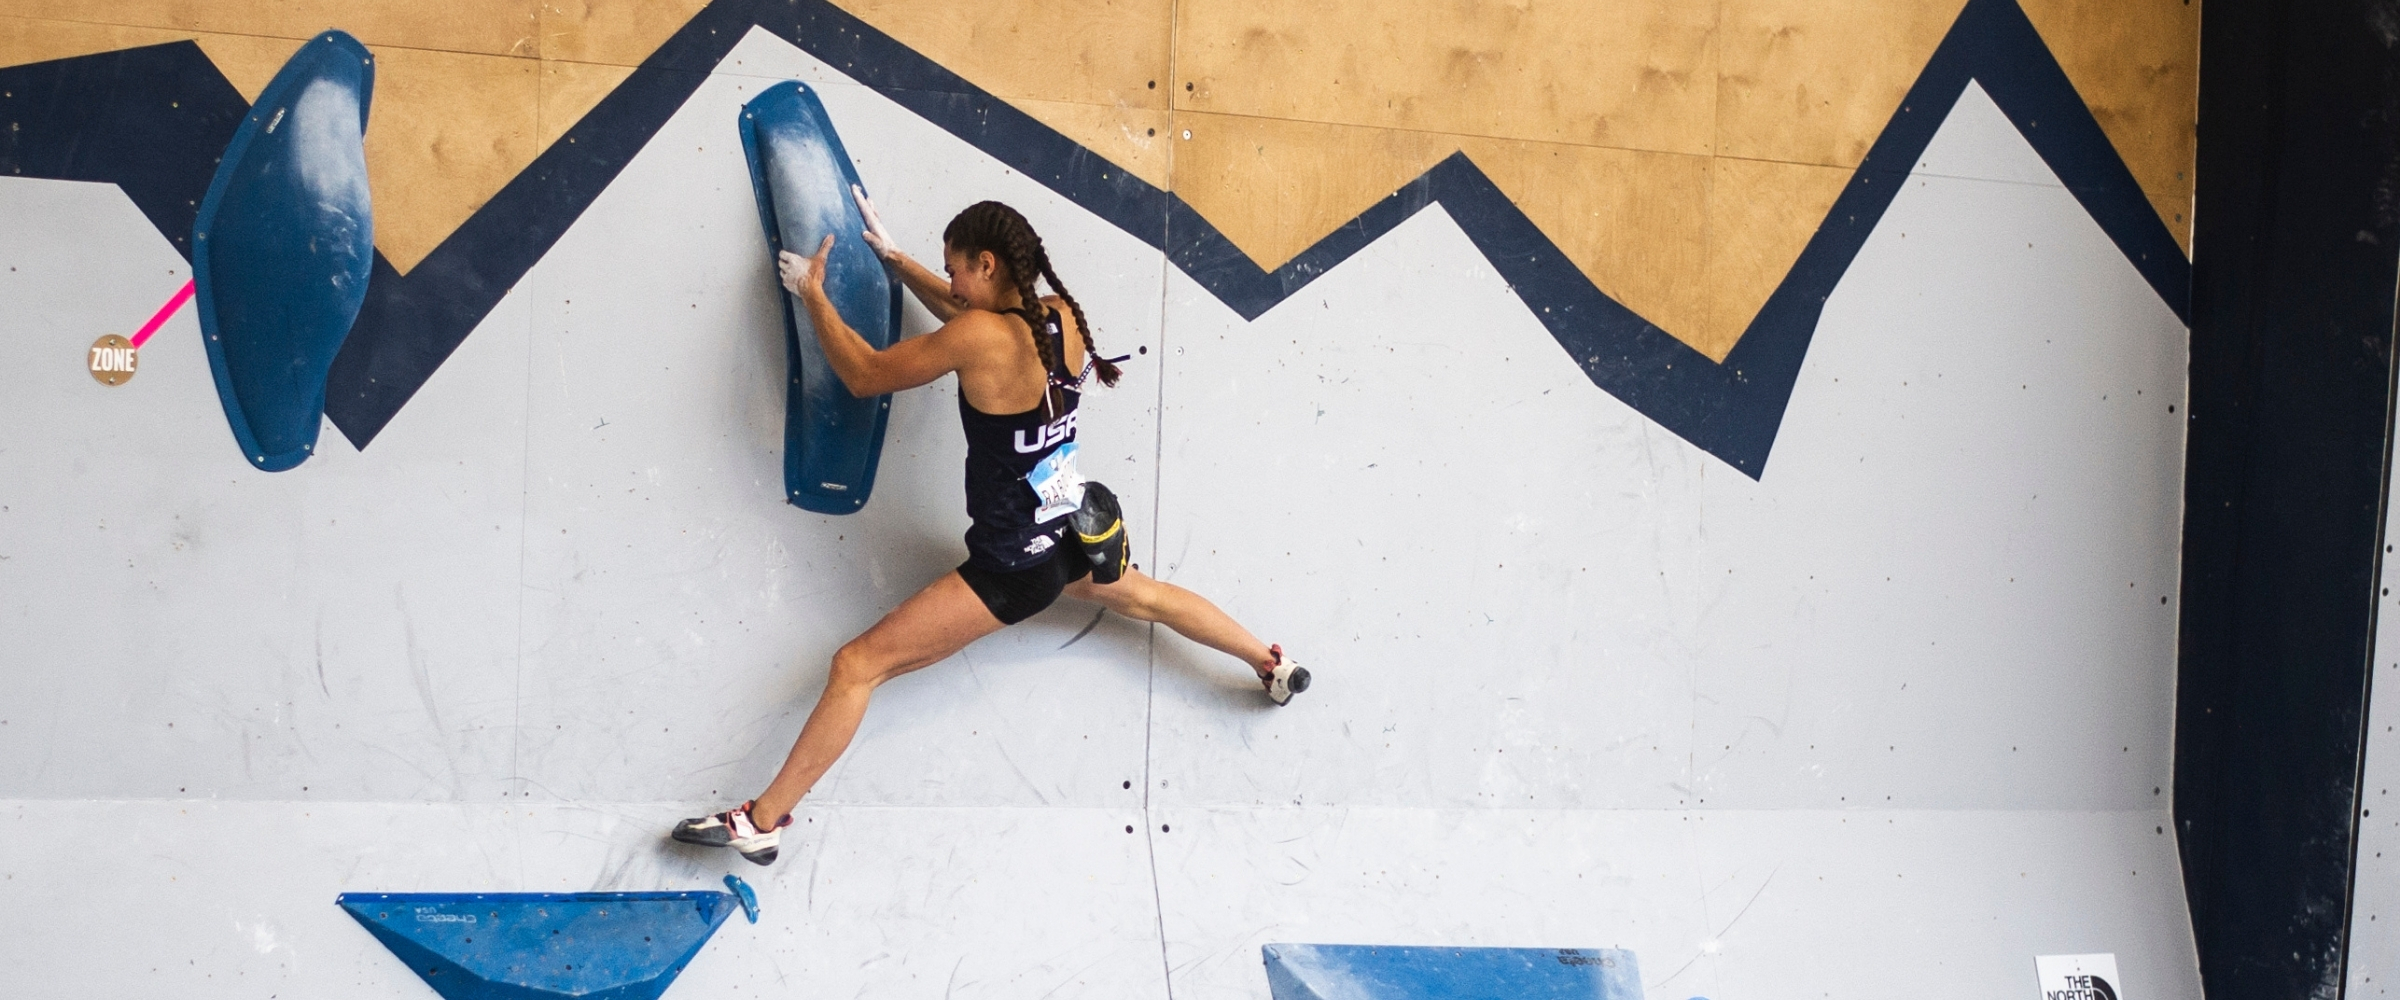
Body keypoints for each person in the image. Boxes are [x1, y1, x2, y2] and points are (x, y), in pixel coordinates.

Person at [673, 195, 1310, 866]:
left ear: (987, 262)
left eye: (956, 270)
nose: (950, 285)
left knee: (856, 666)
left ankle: (763, 819)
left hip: (1013, 569)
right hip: (1067, 534)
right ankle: (1272, 663)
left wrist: (814, 296)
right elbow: (973, 324)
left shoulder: (981, 339)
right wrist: (900, 263)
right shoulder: (1058, 319)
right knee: (1145, 597)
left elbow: (865, 375)